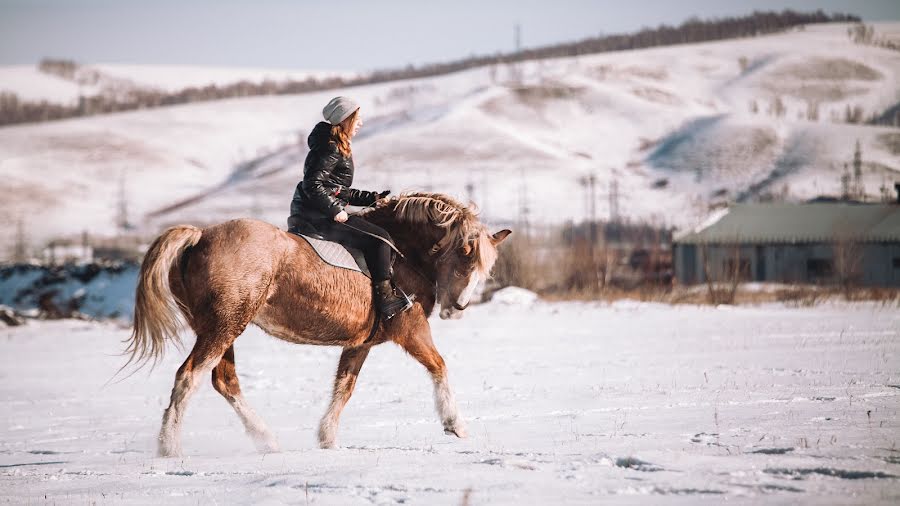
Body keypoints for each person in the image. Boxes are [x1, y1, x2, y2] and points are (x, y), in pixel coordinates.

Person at [288, 96, 413, 320]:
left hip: (316, 211)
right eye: (358, 118)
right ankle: (385, 301)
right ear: (345, 119)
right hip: (316, 217)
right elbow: (312, 184)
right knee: (381, 239)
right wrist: (336, 210)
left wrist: (371, 199)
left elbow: (336, 189)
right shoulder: (331, 147)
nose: (361, 123)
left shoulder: (334, 144)